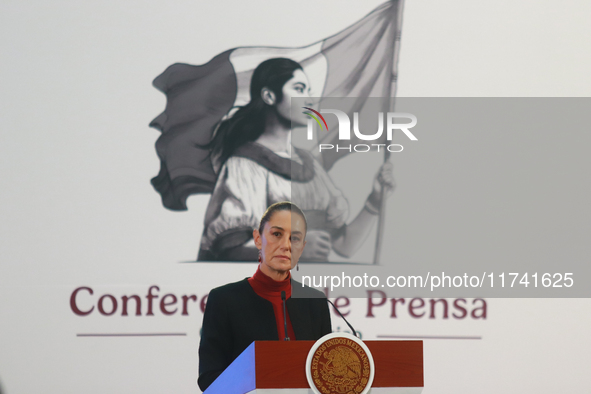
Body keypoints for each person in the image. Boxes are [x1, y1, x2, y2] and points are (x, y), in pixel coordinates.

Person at [198, 58, 394, 262]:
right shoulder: (244, 165)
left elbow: (344, 246)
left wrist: (375, 200)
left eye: (308, 91)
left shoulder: (310, 165)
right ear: (269, 96)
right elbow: (230, 251)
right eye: (299, 89)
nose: (309, 100)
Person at [197, 202, 331, 391]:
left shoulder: (314, 301)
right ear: (258, 239)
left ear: (302, 247)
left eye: (295, 238)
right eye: (277, 234)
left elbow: (327, 373)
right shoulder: (224, 300)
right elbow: (209, 379)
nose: (286, 245)